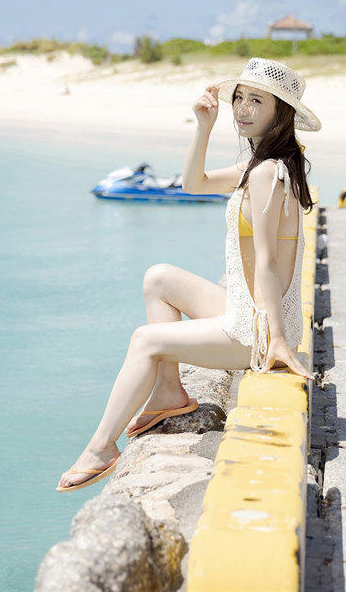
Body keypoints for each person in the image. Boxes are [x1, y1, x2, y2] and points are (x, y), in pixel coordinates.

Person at [56, 57, 320, 492]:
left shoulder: (268, 173)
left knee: (146, 339)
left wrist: (274, 340)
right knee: (159, 277)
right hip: (246, 310)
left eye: (257, 101)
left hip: (255, 332)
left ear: (281, 112)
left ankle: (101, 446)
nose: (243, 109)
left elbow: (270, 262)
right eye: (239, 98)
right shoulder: (262, 165)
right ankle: (167, 393)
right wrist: (204, 126)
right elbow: (193, 185)